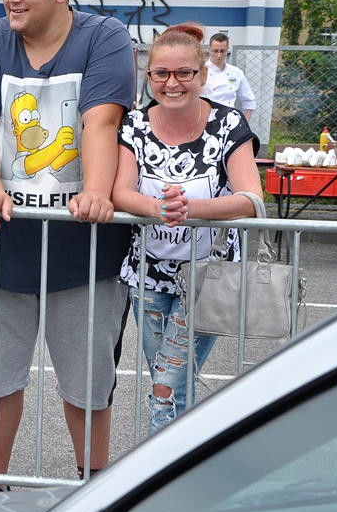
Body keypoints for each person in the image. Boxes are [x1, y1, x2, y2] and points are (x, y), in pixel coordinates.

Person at [0, 0, 135, 488]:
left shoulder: (104, 38)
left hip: (84, 251)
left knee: (88, 382)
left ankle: (92, 484)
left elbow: (101, 123)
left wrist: (98, 191)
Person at [112, 24, 261, 435]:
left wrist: (191, 209)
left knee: (166, 383)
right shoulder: (135, 125)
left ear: (203, 75)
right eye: (161, 73)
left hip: (209, 276)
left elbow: (250, 198)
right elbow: (120, 191)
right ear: (149, 77)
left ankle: (160, 469)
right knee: (175, 381)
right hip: (149, 274)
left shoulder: (228, 125)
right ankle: (189, 466)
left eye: (183, 73)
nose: (171, 83)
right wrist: (160, 208)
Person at [202, 33, 256, 120]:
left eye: (222, 51)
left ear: (227, 50)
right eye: (215, 51)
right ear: (209, 49)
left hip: (229, 121)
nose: (219, 55)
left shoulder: (236, 73)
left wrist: (244, 125)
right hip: (206, 120)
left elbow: (249, 101)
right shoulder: (200, 71)